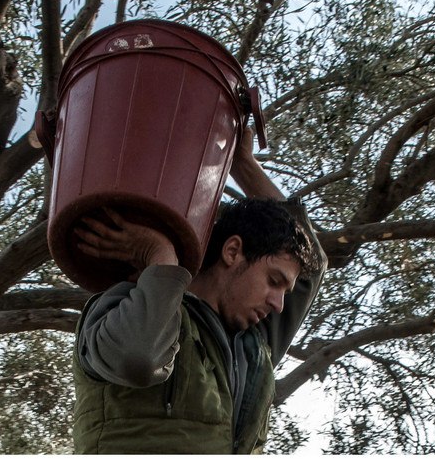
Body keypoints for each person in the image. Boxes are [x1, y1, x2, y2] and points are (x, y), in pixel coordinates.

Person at [71, 128, 328, 454]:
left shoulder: (254, 348)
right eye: (274, 281)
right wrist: (160, 256)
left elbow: (313, 265)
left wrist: (243, 164)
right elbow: (138, 358)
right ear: (233, 252)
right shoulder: (120, 307)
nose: (280, 304)